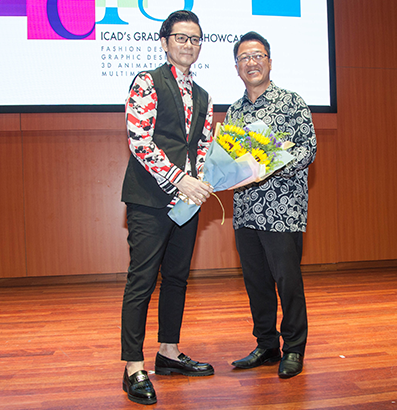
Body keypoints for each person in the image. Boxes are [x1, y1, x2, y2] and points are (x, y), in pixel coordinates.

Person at [119, 10, 215, 405]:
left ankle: (169, 353)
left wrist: (204, 178)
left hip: (186, 202)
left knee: (176, 279)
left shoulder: (205, 95)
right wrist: (180, 179)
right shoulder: (148, 81)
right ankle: (133, 367)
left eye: (195, 39)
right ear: (164, 41)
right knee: (141, 281)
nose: (188, 45)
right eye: (181, 37)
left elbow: (205, 145)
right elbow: (139, 140)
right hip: (149, 198)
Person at [226, 31, 317, 379]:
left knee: (287, 282)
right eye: (245, 57)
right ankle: (267, 344)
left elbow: (306, 150)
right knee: (256, 283)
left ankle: (294, 348)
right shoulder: (234, 111)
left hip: (283, 210)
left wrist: (264, 162)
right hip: (245, 211)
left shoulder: (292, 102)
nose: (252, 62)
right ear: (237, 67)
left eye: (258, 55)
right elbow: (231, 161)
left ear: (269, 61)